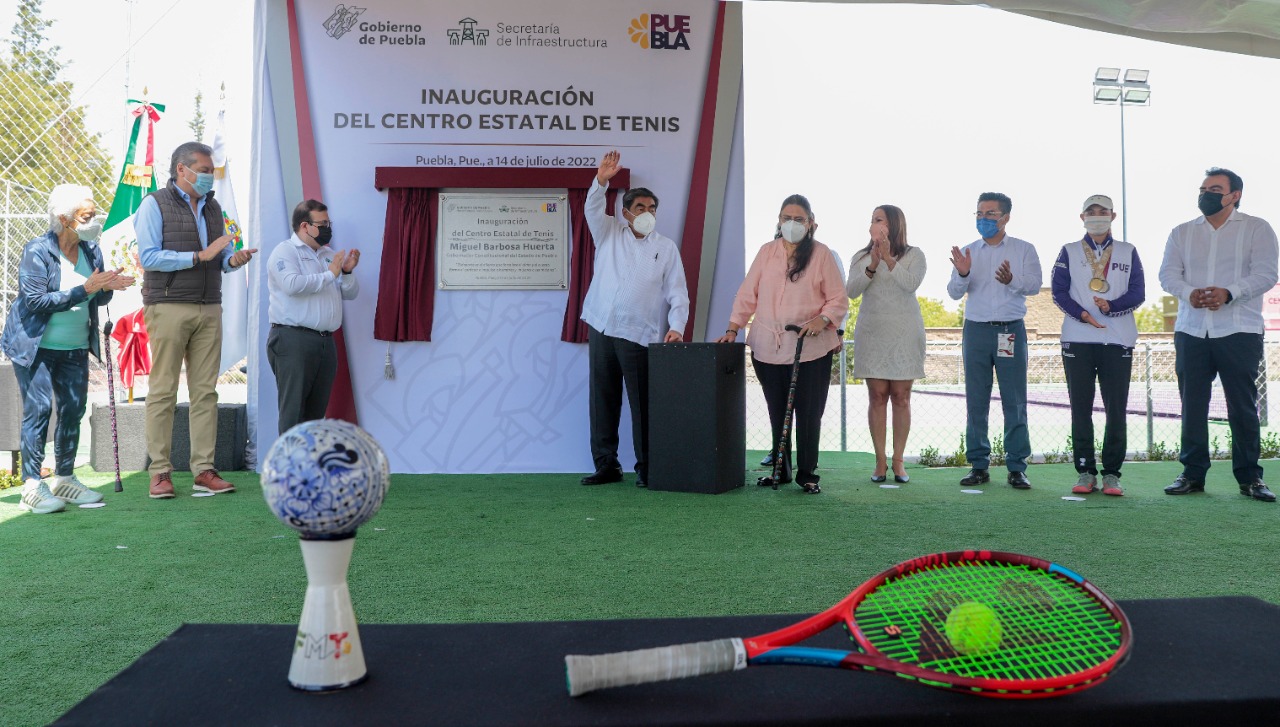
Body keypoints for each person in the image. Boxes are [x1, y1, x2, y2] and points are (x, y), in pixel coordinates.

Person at [135, 141, 258, 499]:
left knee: (205, 391)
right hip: (169, 305)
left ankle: (203, 470)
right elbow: (149, 257)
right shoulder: (154, 204)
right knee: (163, 391)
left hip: (209, 306)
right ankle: (159, 472)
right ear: (181, 170)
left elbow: (218, 258)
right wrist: (198, 256)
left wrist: (231, 261)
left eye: (211, 170)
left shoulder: (214, 206)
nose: (209, 175)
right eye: (204, 169)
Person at [1, 184, 134, 514]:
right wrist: (85, 288)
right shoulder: (38, 251)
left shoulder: (91, 250)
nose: (93, 221)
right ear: (63, 219)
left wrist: (107, 287)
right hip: (36, 346)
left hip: (74, 346)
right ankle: (32, 485)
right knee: (40, 409)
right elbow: (34, 301)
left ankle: (64, 478)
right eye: (86, 216)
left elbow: (96, 296)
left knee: (74, 409)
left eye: (93, 214)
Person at [1159, 167, 1278, 503]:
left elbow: (1267, 273)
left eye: (1214, 188)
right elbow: (1168, 274)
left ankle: (1251, 478)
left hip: (1239, 330)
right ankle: (1192, 474)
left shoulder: (1258, 228)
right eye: (1202, 188)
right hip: (1192, 330)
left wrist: (1230, 292)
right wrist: (1188, 293)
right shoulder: (1181, 232)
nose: (1205, 193)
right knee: (1192, 405)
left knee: (1242, 406)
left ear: (1234, 195)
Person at [717, 194, 848, 494]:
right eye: (786, 217)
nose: (791, 223)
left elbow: (838, 298)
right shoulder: (767, 252)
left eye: (798, 219)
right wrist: (733, 328)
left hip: (810, 348)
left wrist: (823, 320)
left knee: (809, 412)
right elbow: (747, 293)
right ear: (778, 221)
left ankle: (807, 474)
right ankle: (781, 469)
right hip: (767, 346)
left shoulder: (822, 254)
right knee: (778, 410)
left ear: (811, 223)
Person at [579, 150, 689, 488]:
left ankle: (647, 467)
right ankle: (607, 466)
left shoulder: (666, 248)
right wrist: (601, 181)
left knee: (643, 404)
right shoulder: (608, 232)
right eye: (639, 208)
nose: (646, 214)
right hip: (601, 326)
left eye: (652, 209)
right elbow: (591, 208)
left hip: (637, 334)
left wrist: (676, 327)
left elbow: (677, 293)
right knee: (603, 399)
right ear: (626, 213)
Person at [1051, 195, 1146, 496]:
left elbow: (1138, 292)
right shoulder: (1068, 251)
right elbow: (1058, 292)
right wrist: (1082, 315)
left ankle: (1112, 474)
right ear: (1082, 218)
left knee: (1116, 409)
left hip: (1118, 338)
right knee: (1081, 409)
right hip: (1078, 337)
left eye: (1102, 212)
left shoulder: (1128, 251)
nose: (1096, 216)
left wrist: (1111, 307)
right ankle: (1085, 471)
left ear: (1113, 216)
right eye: (1091, 212)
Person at [947, 192, 1042, 489]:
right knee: (977, 400)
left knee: (1014, 401)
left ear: (1006, 218)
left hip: (1009, 330)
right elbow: (952, 291)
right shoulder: (968, 251)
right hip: (975, 330)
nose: (983, 219)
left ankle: (1016, 467)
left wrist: (1011, 280)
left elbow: (1035, 285)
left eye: (990, 214)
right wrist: (963, 273)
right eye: (979, 213)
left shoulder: (1024, 249)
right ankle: (978, 465)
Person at [846, 205, 926, 484]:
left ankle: (898, 460)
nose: (874, 224)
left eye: (879, 219)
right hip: (873, 332)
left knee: (901, 397)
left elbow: (910, 284)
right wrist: (872, 264)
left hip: (905, 332)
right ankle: (880, 461)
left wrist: (889, 259)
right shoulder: (861, 256)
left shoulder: (915, 255)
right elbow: (851, 292)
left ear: (893, 225)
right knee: (877, 396)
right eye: (872, 220)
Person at [267, 200, 360, 434]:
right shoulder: (285, 251)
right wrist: (330, 275)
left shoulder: (328, 255)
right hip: (293, 339)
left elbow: (350, 293)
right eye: (323, 223)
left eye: (329, 223)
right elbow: (291, 285)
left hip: (325, 341)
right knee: (293, 411)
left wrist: (346, 272)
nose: (328, 227)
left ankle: (305, 467)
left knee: (315, 413)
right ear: (305, 226)